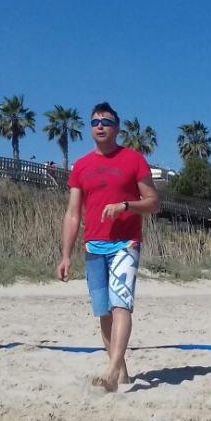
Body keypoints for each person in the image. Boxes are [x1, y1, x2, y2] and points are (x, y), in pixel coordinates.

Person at [56, 103, 160, 392]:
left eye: (106, 121)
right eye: (95, 122)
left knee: (121, 305)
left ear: (117, 127)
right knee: (103, 310)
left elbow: (153, 203)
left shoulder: (133, 160)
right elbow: (73, 213)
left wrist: (126, 206)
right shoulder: (82, 166)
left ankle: (112, 372)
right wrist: (65, 255)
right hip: (93, 247)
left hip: (125, 244)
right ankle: (122, 372)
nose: (100, 126)